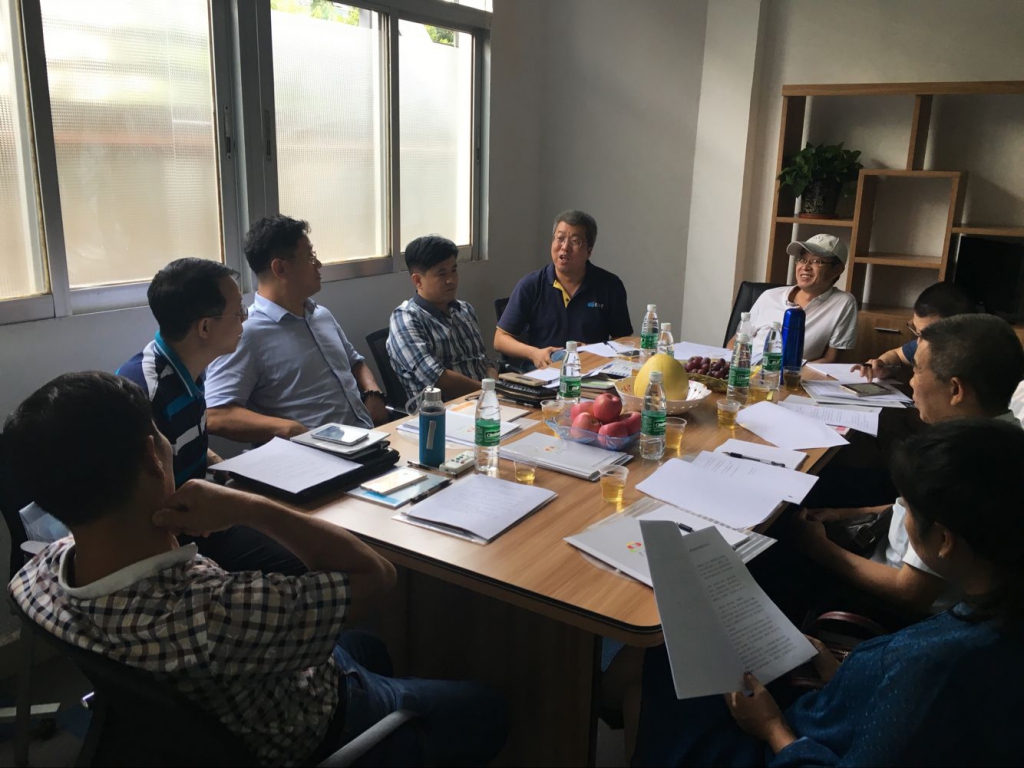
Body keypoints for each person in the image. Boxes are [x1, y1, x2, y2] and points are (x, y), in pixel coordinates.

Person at [6, 371, 508, 768]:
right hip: (312, 726)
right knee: (488, 706)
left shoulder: (36, 578)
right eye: (158, 435)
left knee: (368, 646)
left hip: (230, 701)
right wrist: (249, 507)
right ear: (151, 458)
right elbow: (376, 576)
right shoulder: (218, 612)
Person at [631, 419, 1024, 767]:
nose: (900, 514)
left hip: (785, 744)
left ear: (944, 541)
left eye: (907, 510)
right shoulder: (993, 616)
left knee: (664, 662)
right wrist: (836, 669)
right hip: (831, 705)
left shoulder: (933, 668)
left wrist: (771, 727)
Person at [790, 313, 1024, 615]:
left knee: (777, 554)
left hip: (888, 602)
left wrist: (818, 548)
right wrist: (844, 514)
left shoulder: (957, 467)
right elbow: (911, 507)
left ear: (955, 390)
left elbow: (909, 592)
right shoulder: (1007, 438)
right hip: (886, 542)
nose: (911, 381)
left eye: (917, 370)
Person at [117, 257, 305, 575]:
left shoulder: (187, 367)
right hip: (172, 539)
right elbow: (144, 513)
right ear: (205, 327)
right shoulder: (148, 393)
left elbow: (185, 445)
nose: (244, 319)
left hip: (199, 509)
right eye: (238, 312)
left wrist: (223, 470)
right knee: (302, 559)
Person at [205, 215, 390, 444]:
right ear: (280, 268)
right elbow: (216, 415)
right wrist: (287, 429)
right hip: (313, 453)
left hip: (368, 440)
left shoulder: (321, 315)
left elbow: (355, 362)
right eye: (310, 257)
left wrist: (372, 391)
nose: (318, 264)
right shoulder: (247, 333)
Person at [494, 210, 632, 370]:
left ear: (589, 251)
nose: (565, 247)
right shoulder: (531, 284)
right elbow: (500, 339)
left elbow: (622, 340)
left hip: (591, 371)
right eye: (560, 239)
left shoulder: (610, 286)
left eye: (575, 241)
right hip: (543, 371)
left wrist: (593, 352)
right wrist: (534, 353)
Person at [387, 235, 497, 401]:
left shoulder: (465, 310)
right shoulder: (406, 319)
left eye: (454, 270)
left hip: (485, 401)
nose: (451, 280)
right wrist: (489, 392)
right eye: (441, 274)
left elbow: (484, 362)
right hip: (441, 410)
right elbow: (438, 380)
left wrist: (496, 388)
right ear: (418, 280)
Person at [733, 234, 857, 364]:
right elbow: (735, 342)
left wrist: (788, 373)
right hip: (746, 369)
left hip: (793, 374)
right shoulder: (769, 296)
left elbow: (830, 359)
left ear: (836, 270)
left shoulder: (843, 303)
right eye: (802, 260)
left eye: (816, 261)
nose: (805, 267)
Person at [852, 281, 974, 380]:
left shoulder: (975, 362)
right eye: (918, 333)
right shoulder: (922, 343)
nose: (918, 343)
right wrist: (883, 365)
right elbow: (897, 355)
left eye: (928, 336)